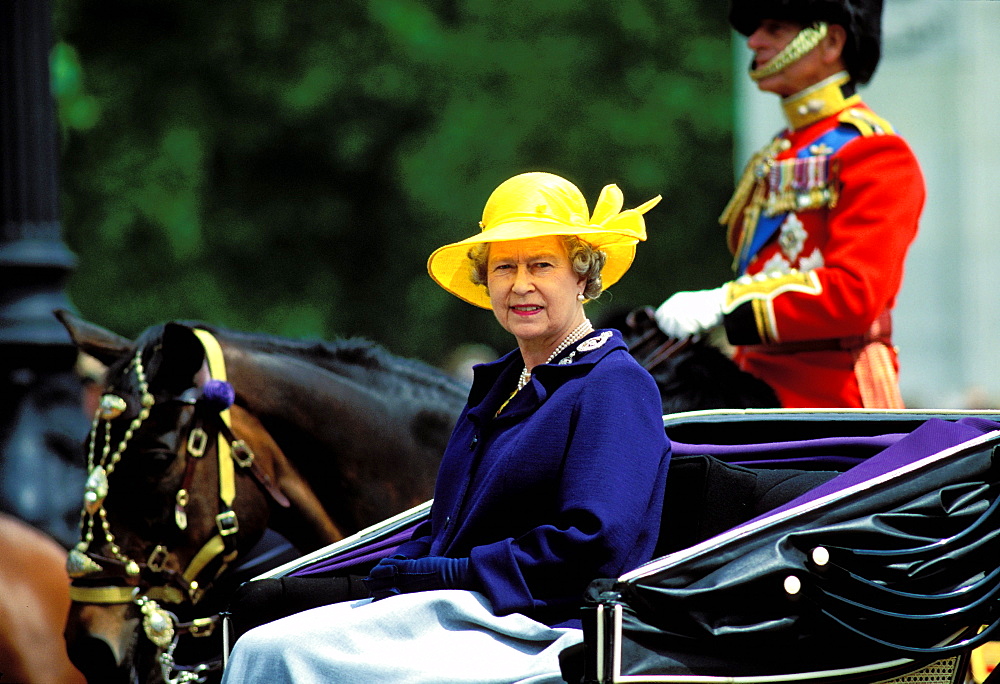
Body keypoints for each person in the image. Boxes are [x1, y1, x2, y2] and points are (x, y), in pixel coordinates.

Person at [221, 171, 671, 683]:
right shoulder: (503, 384)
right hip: (464, 609)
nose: (520, 284)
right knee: (259, 641)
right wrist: (410, 563)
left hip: (543, 625)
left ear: (583, 278)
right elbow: (451, 523)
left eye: (541, 265)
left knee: (279, 655)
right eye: (504, 268)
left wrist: (452, 572)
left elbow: (594, 546)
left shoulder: (613, 384)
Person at [654, 0, 925, 409]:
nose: (754, 41)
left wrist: (727, 303)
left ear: (831, 41)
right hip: (754, 386)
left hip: (832, 399)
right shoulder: (779, 152)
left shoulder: (876, 152)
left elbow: (855, 294)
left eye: (775, 28)